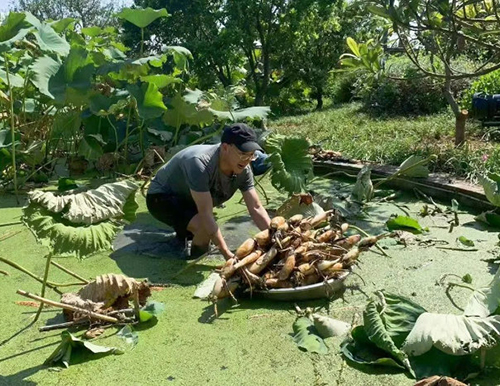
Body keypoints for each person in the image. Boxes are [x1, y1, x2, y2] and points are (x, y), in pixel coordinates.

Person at [146, 123, 271, 260]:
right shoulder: (200, 164)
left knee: (205, 228)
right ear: (225, 147)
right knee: (204, 228)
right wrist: (227, 255)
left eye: (251, 155)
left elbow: (256, 207)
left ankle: (185, 234)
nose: (247, 160)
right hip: (162, 197)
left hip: (192, 199)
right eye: (242, 154)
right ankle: (194, 257)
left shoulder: (244, 169)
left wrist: (274, 236)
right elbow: (206, 215)